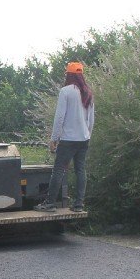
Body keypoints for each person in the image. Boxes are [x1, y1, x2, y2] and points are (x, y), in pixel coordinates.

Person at [35, 61, 95, 213]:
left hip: (68, 139)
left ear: (69, 75)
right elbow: (91, 118)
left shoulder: (66, 91)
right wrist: (88, 134)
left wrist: (54, 138)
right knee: (81, 170)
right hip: (84, 139)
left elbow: (59, 117)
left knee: (59, 170)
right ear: (81, 75)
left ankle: (49, 203)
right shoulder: (87, 92)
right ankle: (79, 205)